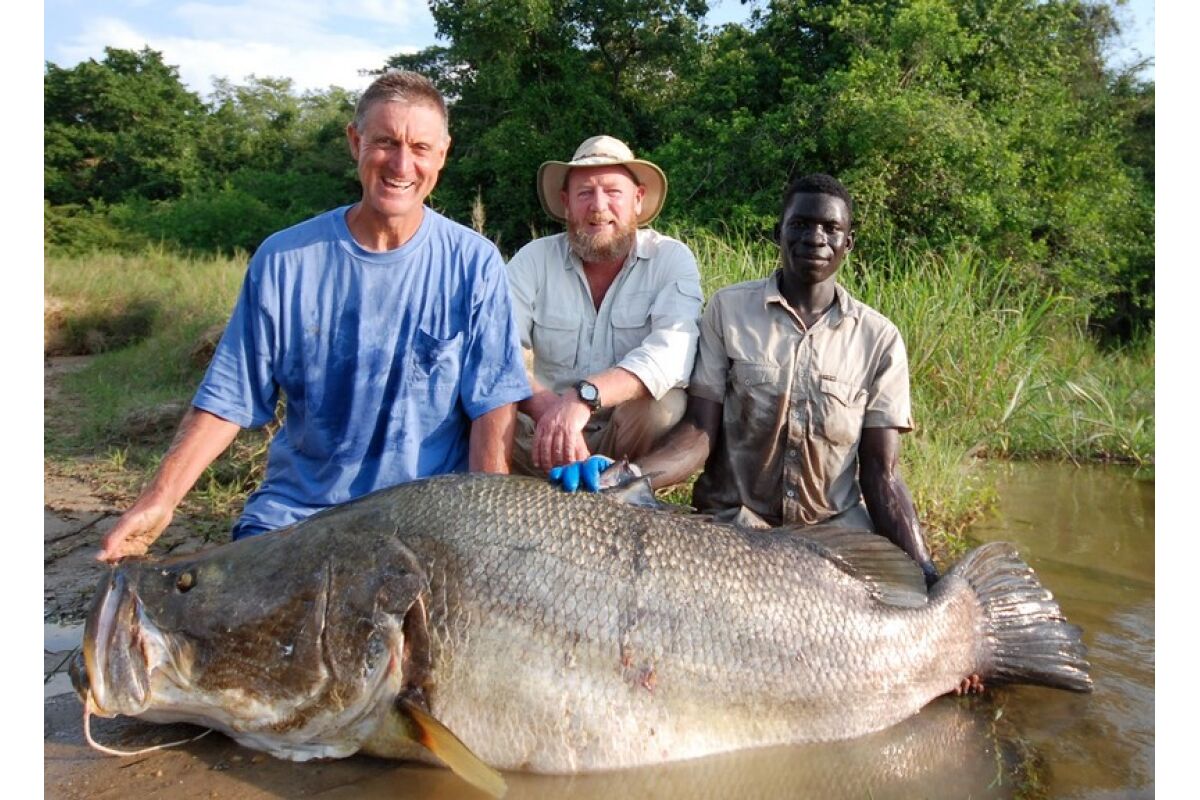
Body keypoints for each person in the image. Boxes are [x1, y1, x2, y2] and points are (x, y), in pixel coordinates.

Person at [96, 70, 531, 562]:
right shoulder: (285, 260)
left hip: (423, 519)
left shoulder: (473, 262)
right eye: (385, 142)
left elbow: (492, 405)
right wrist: (159, 499)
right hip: (299, 515)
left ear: (443, 154)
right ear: (355, 141)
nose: (401, 164)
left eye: (420, 148)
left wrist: (483, 532)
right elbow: (228, 399)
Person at [553, 173, 938, 584]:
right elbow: (699, 432)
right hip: (735, 527)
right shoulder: (728, 311)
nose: (815, 238)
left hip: (836, 535)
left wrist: (927, 572)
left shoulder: (879, 338)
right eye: (801, 224)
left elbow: (881, 473)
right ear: (778, 233)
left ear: (849, 242)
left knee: (904, 598)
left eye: (831, 228)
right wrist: (627, 478)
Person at [505, 135, 703, 475]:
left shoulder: (670, 258)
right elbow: (498, 349)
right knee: (486, 406)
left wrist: (583, 397)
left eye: (613, 192)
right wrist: (552, 412)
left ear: (637, 199)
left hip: (625, 435)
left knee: (664, 408)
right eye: (585, 193)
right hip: (544, 434)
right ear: (566, 203)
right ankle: (501, 488)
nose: (598, 206)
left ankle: (624, 488)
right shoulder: (533, 259)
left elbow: (672, 354)